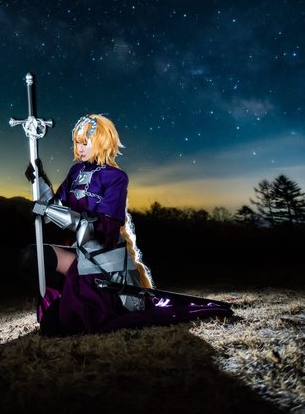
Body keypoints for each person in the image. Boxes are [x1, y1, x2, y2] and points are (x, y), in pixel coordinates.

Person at [21, 114, 232, 336]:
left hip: (104, 266)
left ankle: (88, 302)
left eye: (85, 142)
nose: (80, 148)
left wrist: (49, 210)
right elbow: (50, 212)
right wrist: (39, 180)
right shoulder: (76, 172)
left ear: (102, 141)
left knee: (52, 327)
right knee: (31, 257)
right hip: (82, 255)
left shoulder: (116, 177)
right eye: (77, 142)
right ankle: (71, 293)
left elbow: (102, 230)